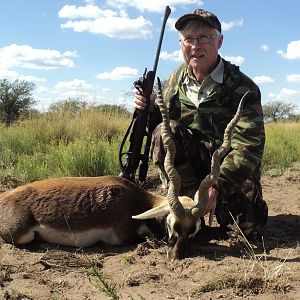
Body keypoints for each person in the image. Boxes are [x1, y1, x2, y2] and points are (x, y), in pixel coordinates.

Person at [134, 8, 268, 241]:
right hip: (190, 172)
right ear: (181, 44)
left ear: (219, 41)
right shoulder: (175, 80)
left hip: (227, 174)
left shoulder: (243, 88)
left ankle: (230, 207)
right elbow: (162, 130)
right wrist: (149, 108)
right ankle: (181, 202)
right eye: (188, 39)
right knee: (165, 130)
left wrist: (214, 187)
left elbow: (247, 148)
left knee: (247, 234)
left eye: (203, 38)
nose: (195, 45)